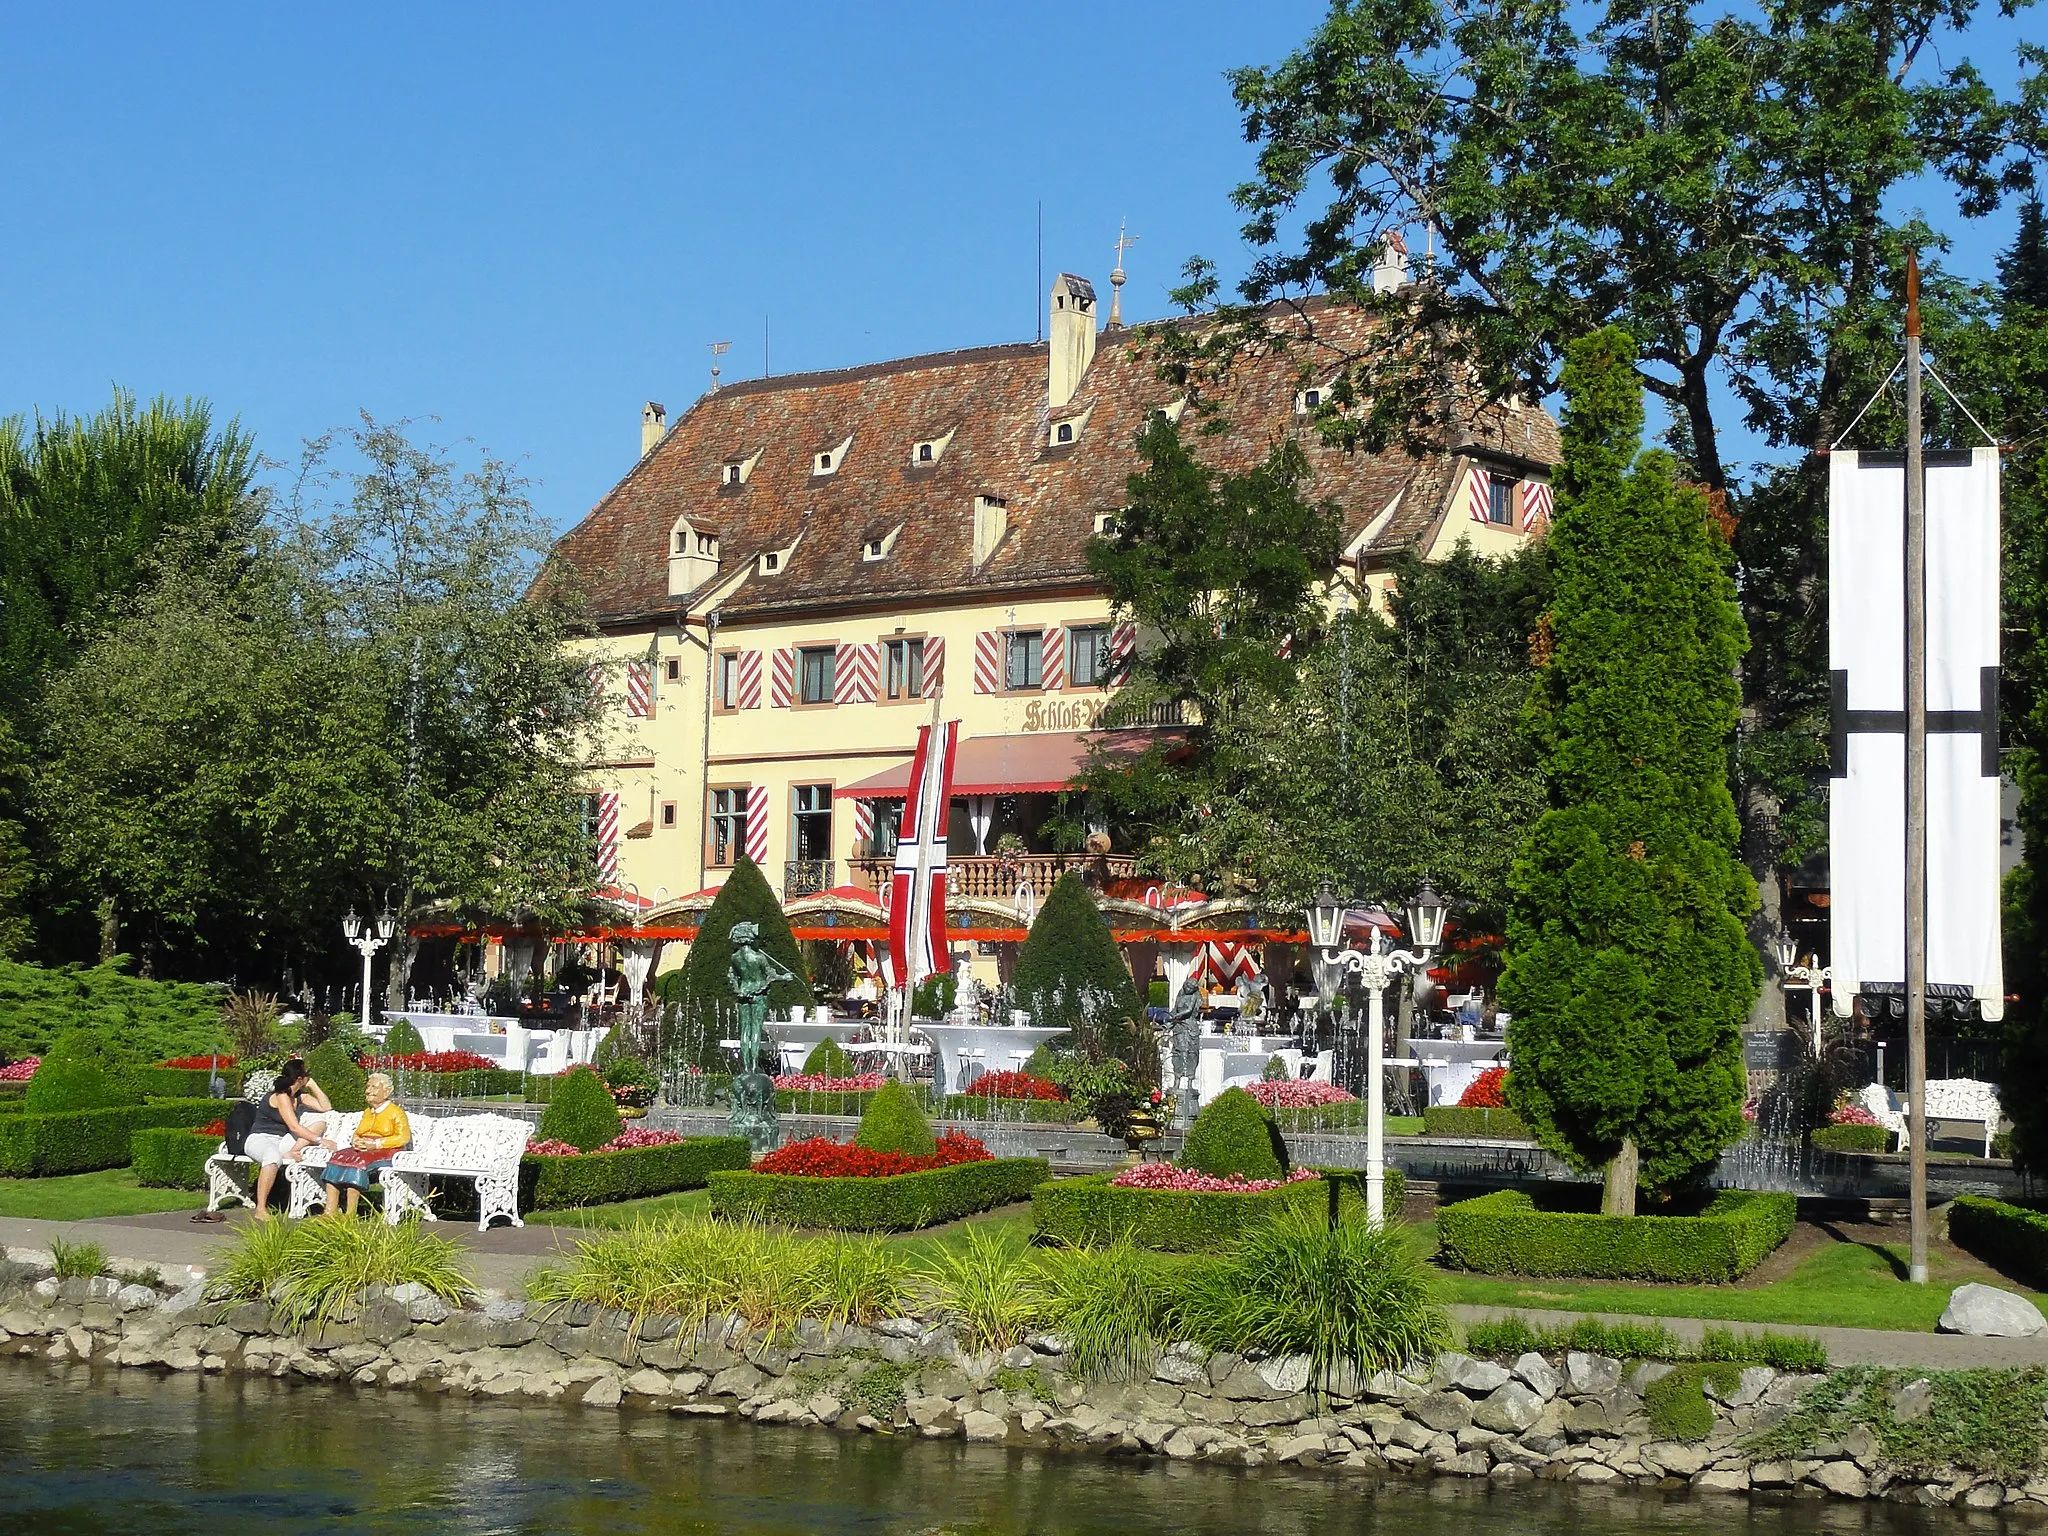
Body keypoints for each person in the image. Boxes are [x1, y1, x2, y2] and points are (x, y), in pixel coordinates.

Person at [245, 1059, 335, 1218]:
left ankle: (292, 1152)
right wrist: (321, 1141)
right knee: (272, 1158)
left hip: (282, 1141)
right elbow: (294, 1127)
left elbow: (326, 1107)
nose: (309, 1076)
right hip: (260, 1139)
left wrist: (313, 1085)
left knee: (320, 1122)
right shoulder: (281, 1096)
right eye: (307, 1074)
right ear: (299, 1079)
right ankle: (261, 1208)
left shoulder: (300, 1097)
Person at [322, 1072, 412, 1217]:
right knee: (336, 1158)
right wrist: (356, 1140)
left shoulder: (396, 1112)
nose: (368, 1091)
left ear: (386, 1092)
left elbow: (403, 1137)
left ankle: (350, 1214)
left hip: (387, 1150)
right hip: (364, 1149)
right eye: (368, 1086)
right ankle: (329, 1211)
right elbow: (358, 1132)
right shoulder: (368, 1112)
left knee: (357, 1163)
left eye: (374, 1087)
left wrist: (376, 1144)